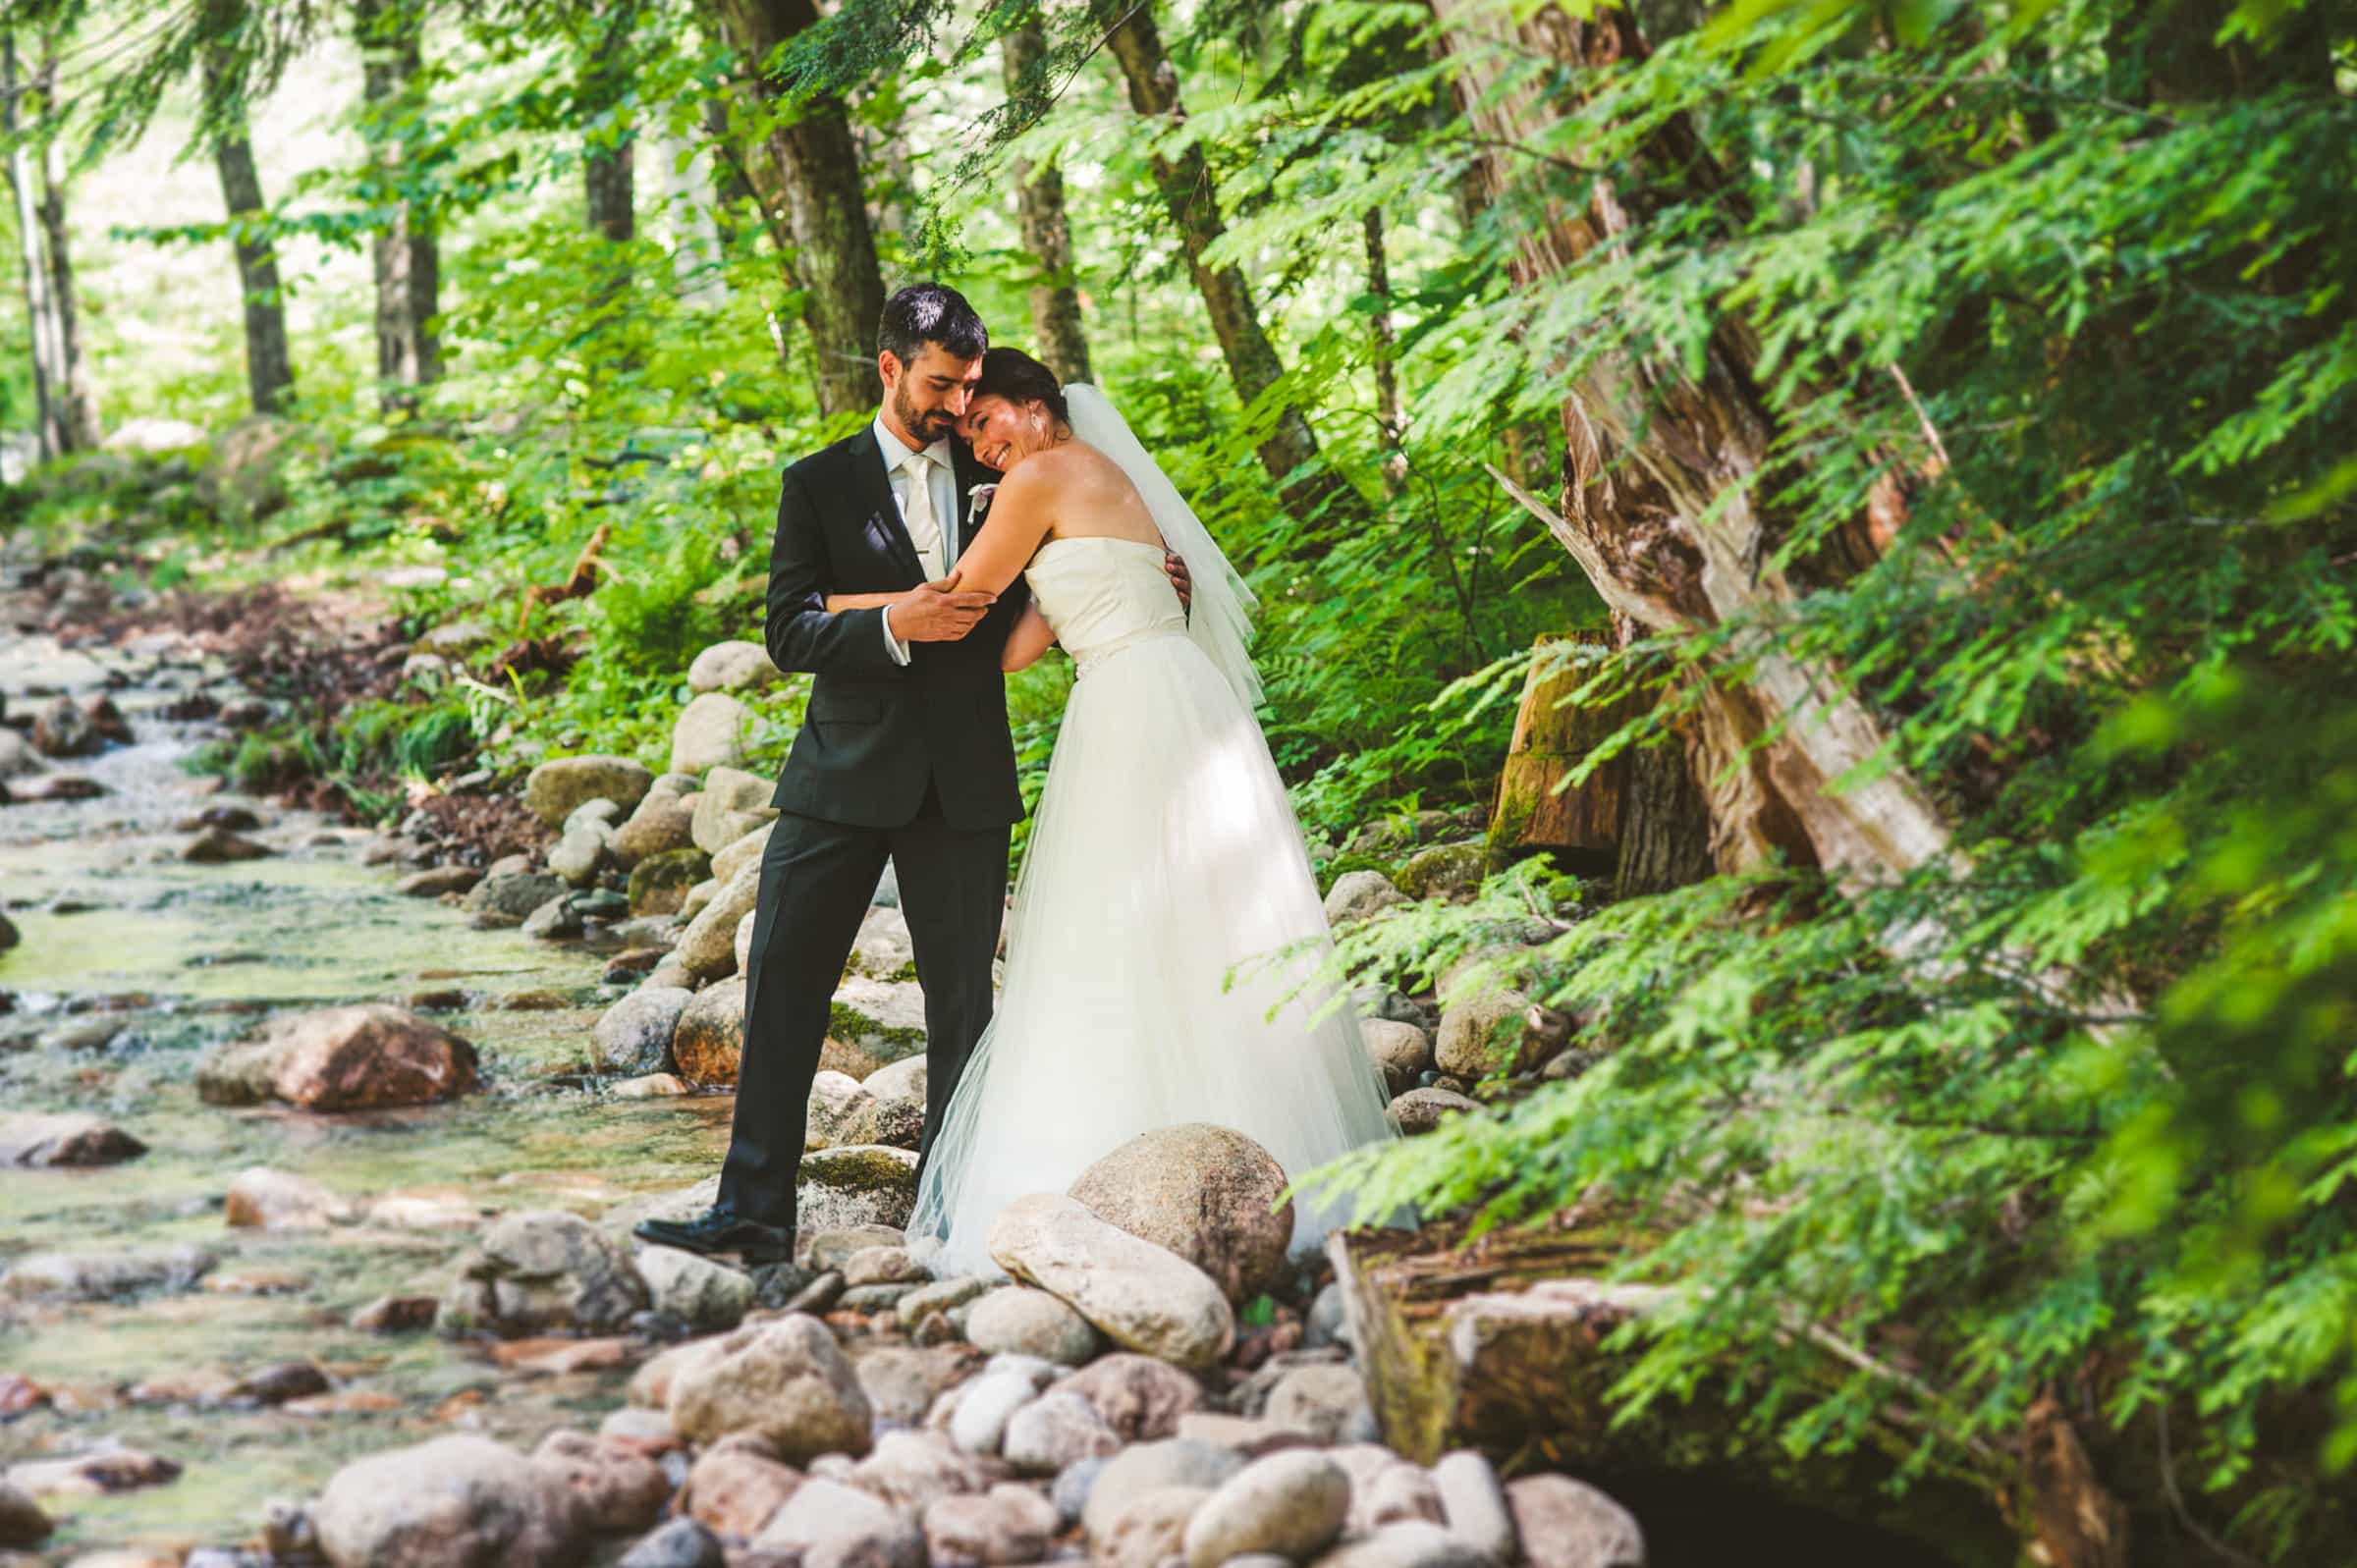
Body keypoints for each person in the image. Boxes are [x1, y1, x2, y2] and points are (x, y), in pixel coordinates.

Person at [635, 285, 1185, 1267]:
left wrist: (1145, 574)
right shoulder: (818, 482)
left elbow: (1049, 593)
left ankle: (944, 1215)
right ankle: (752, 1209)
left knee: (963, 1008)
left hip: (963, 779)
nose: (956, 406)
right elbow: (789, 629)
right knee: (783, 985)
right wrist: (893, 620)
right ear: (890, 368)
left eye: (971, 386)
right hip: (838, 775)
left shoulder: (1004, 470)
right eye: (940, 384)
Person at [898, 347, 1397, 1276]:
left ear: (1038, 404)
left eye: (986, 419)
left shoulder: (1041, 475)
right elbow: (1021, 646)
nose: (980, 443)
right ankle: (1253, 1162)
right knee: (1201, 922)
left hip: (1129, 706)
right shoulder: (1104, 478)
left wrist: (861, 609)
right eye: (967, 432)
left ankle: (1119, 1167)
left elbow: (965, 601)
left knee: (1118, 923)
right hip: (1177, 694)